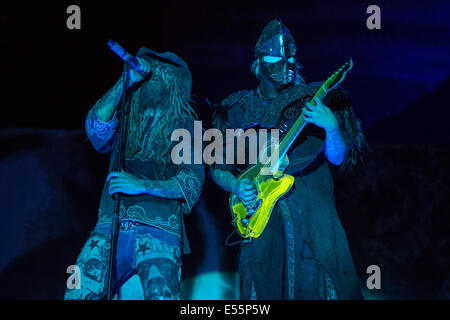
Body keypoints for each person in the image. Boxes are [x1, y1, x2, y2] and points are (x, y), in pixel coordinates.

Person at [211, 20, 368, 299]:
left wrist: (331, 126)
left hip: (311, 217)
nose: (284, 64)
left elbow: (337, 157)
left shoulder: (311, 100)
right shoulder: (238, 109)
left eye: (290, 58)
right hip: (262, 220)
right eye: (275, 58)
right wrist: (237, 186)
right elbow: (218, 168)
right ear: (259, 63)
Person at [65, 47, 204, 300]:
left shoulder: (187, 127)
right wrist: (124, 82)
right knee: (76, 292)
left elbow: (191, 183)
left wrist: (140, 184)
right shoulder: (125, 117)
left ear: (175, 84)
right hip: (109, 227)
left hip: (159, 232)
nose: (155, 76)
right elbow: (95, 130)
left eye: (163, 72)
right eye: (152, 69)